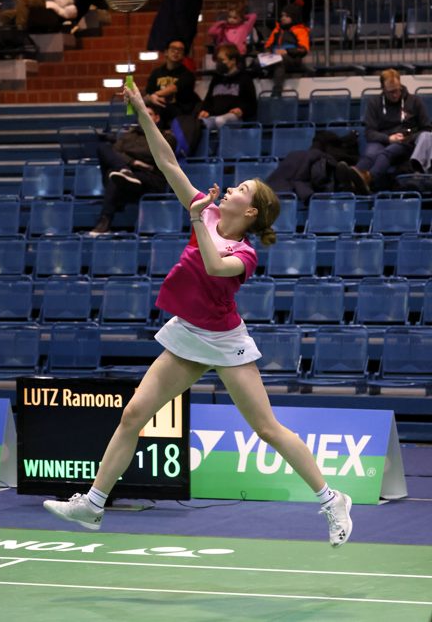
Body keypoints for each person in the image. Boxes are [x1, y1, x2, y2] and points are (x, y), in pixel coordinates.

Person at [43, 81, 353, 549]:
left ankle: (332, 500)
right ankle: (94, 503)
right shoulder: (205, 212)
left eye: (240, 189)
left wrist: (195, 216)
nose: (229, 188)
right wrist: (144, 111)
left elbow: (213, 265)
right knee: (133, 415)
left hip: (225, 342)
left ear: (249, 211)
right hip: (188, 333)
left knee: (267, 428)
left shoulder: (244, 252)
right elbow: (167, 160)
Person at [337, 69, 432, 194]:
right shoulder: (374, 103)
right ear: (383, 89)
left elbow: (426, 128)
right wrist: (388, 138)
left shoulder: (414, 101)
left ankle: (366, 179)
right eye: (391, 92)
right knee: (370, 154)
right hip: (382, 138)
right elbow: (370, 132)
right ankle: (352, 179)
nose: (395, 94)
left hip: (405, 140)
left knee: (387, 152)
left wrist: (409, 135)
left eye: (397, 90)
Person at [90, 105, 177, 236]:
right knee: (104, 148)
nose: (144, 118)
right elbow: (114, 151)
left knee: (114, 176)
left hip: (150, 179)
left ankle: (104, 222)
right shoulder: (129, 135)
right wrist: (133, 162)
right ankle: (124, 170)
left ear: (157, 118)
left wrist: (126, 156)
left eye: (149, 114)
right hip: (129, 174)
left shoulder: (166, 137)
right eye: (142, 115)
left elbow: (150, 154)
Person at [198, 43, 257, 129]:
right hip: (215, 115)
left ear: (233, 60)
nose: (219, 63)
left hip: (234, 117)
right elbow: (208, 100)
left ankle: (224, 142)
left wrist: (242, 110)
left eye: (222, 60)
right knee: (199, 123)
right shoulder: (216, 78)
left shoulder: (244, 78)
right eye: (218, 60)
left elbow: (252, 104)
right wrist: (205, 110)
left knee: (220, 120)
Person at [144, 39, 200, 126]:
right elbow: (148, 92)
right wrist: (151, 97)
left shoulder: (188, 75)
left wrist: (155, 95)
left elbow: (173, 88)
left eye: (180, 50)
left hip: (180, 114)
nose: (176, 52)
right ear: (166, 52)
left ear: (184, 55)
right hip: (159, 112)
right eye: (173, 49)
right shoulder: (156, 73)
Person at [263, 4, 310, 96]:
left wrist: (287, 51)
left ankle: (277, 90)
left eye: (287, 16)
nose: (283, 18)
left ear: (294, 17)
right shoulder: (277, 29)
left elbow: (303, 49)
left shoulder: (300, 30)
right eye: (282, 16)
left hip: (292, 59)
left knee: (280, 60)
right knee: (256, 61)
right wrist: (268, 52)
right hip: (275, 57)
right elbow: (268, 45)